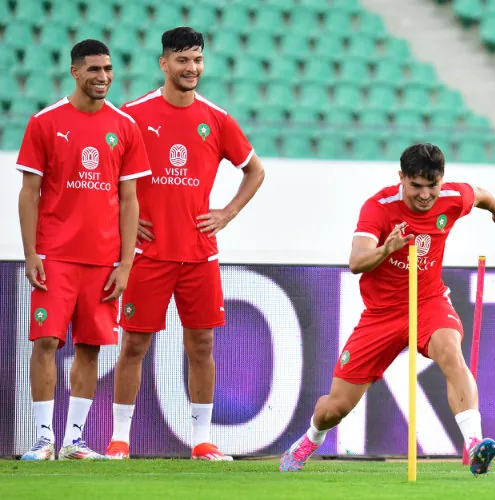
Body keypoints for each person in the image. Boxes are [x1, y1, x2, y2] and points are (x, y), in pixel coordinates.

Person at [279, 143, 495, 475]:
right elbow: (357, 261)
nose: (426, 195)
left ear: (442, 180)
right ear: (401, 178)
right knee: (335, 408)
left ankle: (474, 444)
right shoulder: (378, 208)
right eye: (416, 186)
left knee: (449, 350)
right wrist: (388, 248)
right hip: (382, 314)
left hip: (429, 302)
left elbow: (481, 194)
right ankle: (310, 439)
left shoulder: (453, 198)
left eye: (433, 185)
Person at [104, 27, 265, 461]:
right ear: (164, 64)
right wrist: (125, 219)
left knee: (202, 347)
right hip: (147, 255)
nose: (191, 68)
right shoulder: (133, 115)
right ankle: (120, 440)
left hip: (199, 254)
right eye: (182, 60)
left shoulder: (216, 118)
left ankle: (201, 441)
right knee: (134, 345)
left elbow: (255, 171)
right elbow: (105, 173)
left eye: (197, 60)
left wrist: (227, 213)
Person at [17, 40, 151, 460]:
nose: (103, 77)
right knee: (46, 341)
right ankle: (43, 439)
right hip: (55, 255)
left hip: (102, 259)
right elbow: (29, 192)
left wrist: (126, 262)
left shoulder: (124, 126)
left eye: (108, 69)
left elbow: (130, 200)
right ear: (75, 72)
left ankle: (74, 439)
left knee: (90, 347)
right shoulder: (45, 122)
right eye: (94, 69)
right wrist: (31, 252)